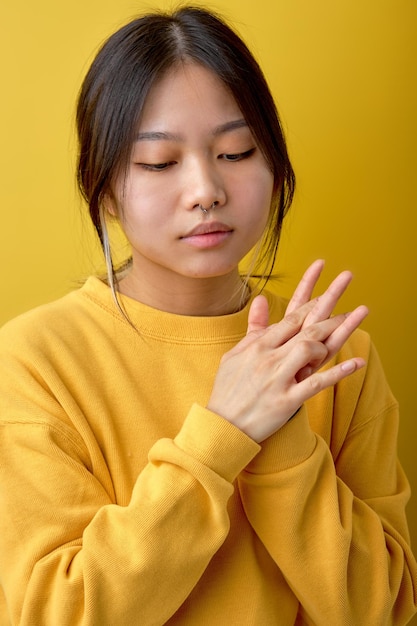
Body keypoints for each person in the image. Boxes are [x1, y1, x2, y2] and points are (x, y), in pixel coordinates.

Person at [0, 6, 416, 625]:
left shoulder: (334, 358)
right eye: (160, 163)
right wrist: (224, 432)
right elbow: (56, 613)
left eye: (237, 151)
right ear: (106, 186)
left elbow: (384, 610)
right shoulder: (34, 360)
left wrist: (284, 441)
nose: (205, 190)